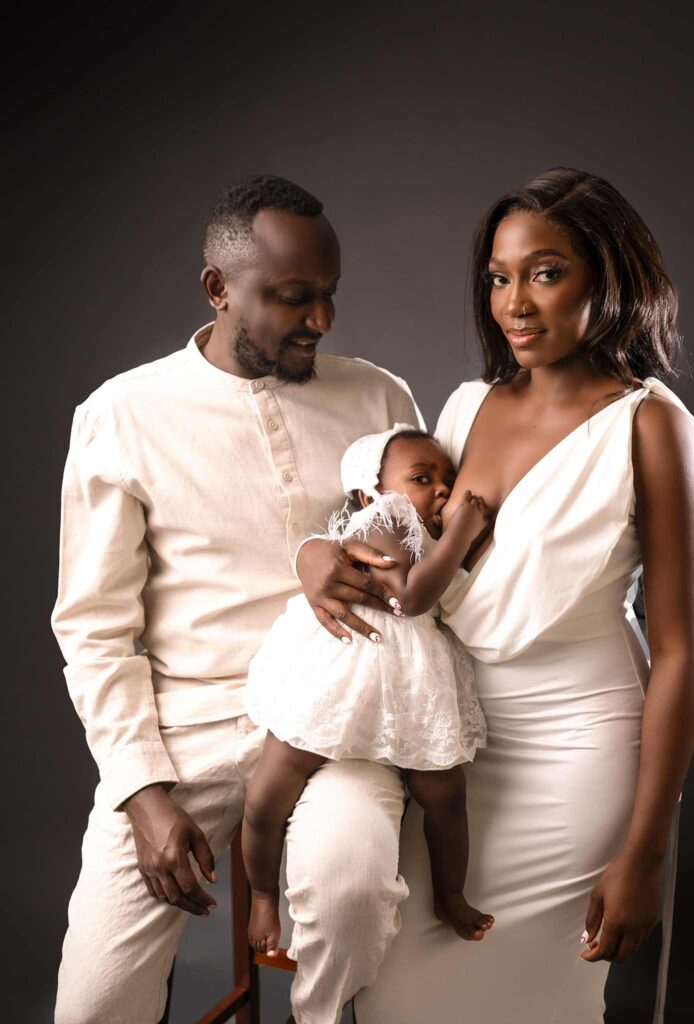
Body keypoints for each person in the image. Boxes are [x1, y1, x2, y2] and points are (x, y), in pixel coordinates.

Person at [298, 167, 694, 1023]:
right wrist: (313, 552)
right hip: (450, 745)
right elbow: (385, 543)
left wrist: (644, 852)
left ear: (607, 277)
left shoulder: (649, 423)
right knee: (399, 998)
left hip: (580, 749)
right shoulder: (465, 407)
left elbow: (679, 653)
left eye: (546, 272)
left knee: (531, 999)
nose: (514, 303)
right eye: (498, 277)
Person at [51, 175, 424, 1024]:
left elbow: (423, 559)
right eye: (293, 298)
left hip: (339, 721)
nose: (321, 322)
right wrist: (143, 793)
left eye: (329, 296)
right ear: (219, 289)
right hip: (188, 734)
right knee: (93, 1005)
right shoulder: (122, 414)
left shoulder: (379, 397)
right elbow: (95, 629)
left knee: (357, 894)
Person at [243, 426, 494, 958]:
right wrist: (462, 532)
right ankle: (262, 894)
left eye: (447, 481)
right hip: (342, 668)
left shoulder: (420, 527)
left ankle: (450, 892)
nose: (443, 492)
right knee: (271, 788)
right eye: (422, 479)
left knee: (445, 793)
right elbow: (409, 599)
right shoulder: (385, 518)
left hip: (407, 676)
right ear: (368, 492)